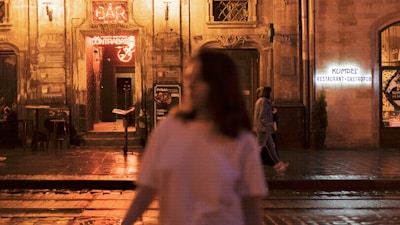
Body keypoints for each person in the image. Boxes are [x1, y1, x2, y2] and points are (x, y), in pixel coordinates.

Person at [122, 49, 267, 225]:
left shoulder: (242, 140)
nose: (189, 84)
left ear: (219, 85)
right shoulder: (168, 129)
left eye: (198, 79)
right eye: (188, 78)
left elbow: (250, 207)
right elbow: (146, 189)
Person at [253, 86, 289, 173]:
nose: (271, 94)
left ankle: (278, 164)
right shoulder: (264, 101)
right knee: (259, 147)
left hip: (264, 129)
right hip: (263, 129)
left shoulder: (260, 101)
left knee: (271, 146)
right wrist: (268, 123)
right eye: (270, 92)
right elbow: (262, 115)